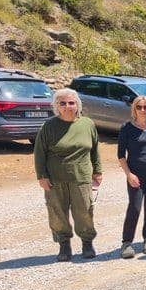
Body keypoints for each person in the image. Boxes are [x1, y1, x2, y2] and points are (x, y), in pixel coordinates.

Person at [34, 89, 102, 262]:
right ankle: (64, 245)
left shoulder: (87, 124)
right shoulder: (49, 126)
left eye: (71, 103)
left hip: (81, 177)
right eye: (62, 103)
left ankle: (87, 243)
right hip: (55, 179)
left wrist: (98, 171)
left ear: (77, 104)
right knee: (57, 213)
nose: (67, 106)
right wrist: (42, 176)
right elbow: (39, 153)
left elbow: (94, 150)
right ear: (56, 106)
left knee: (85, 212)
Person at [117, 96, 146, 259]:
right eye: (139, 107)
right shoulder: (127, 128)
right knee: (135, 207)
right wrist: (129, 174)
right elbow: (121, 155)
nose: (143, 110)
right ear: (134, 109)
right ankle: (127, 242)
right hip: (135, 173)